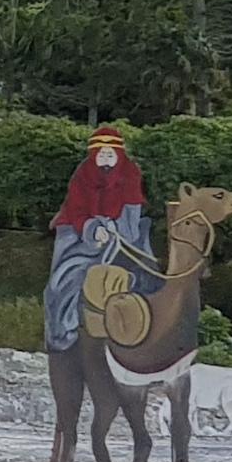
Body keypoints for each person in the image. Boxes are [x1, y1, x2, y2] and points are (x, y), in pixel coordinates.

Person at [43, 126, 152, 354]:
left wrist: (116, 228)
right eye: (100, 153)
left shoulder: (130, 172)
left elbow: (132, 209)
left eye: (110, 153)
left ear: (119, 154)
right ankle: (63, 331)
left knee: (148, 270)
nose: (105, 157)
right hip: (79, 232)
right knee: (62, 279)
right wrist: (93, 229)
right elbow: (75, 208)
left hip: (123, 231)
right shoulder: (82, 174)